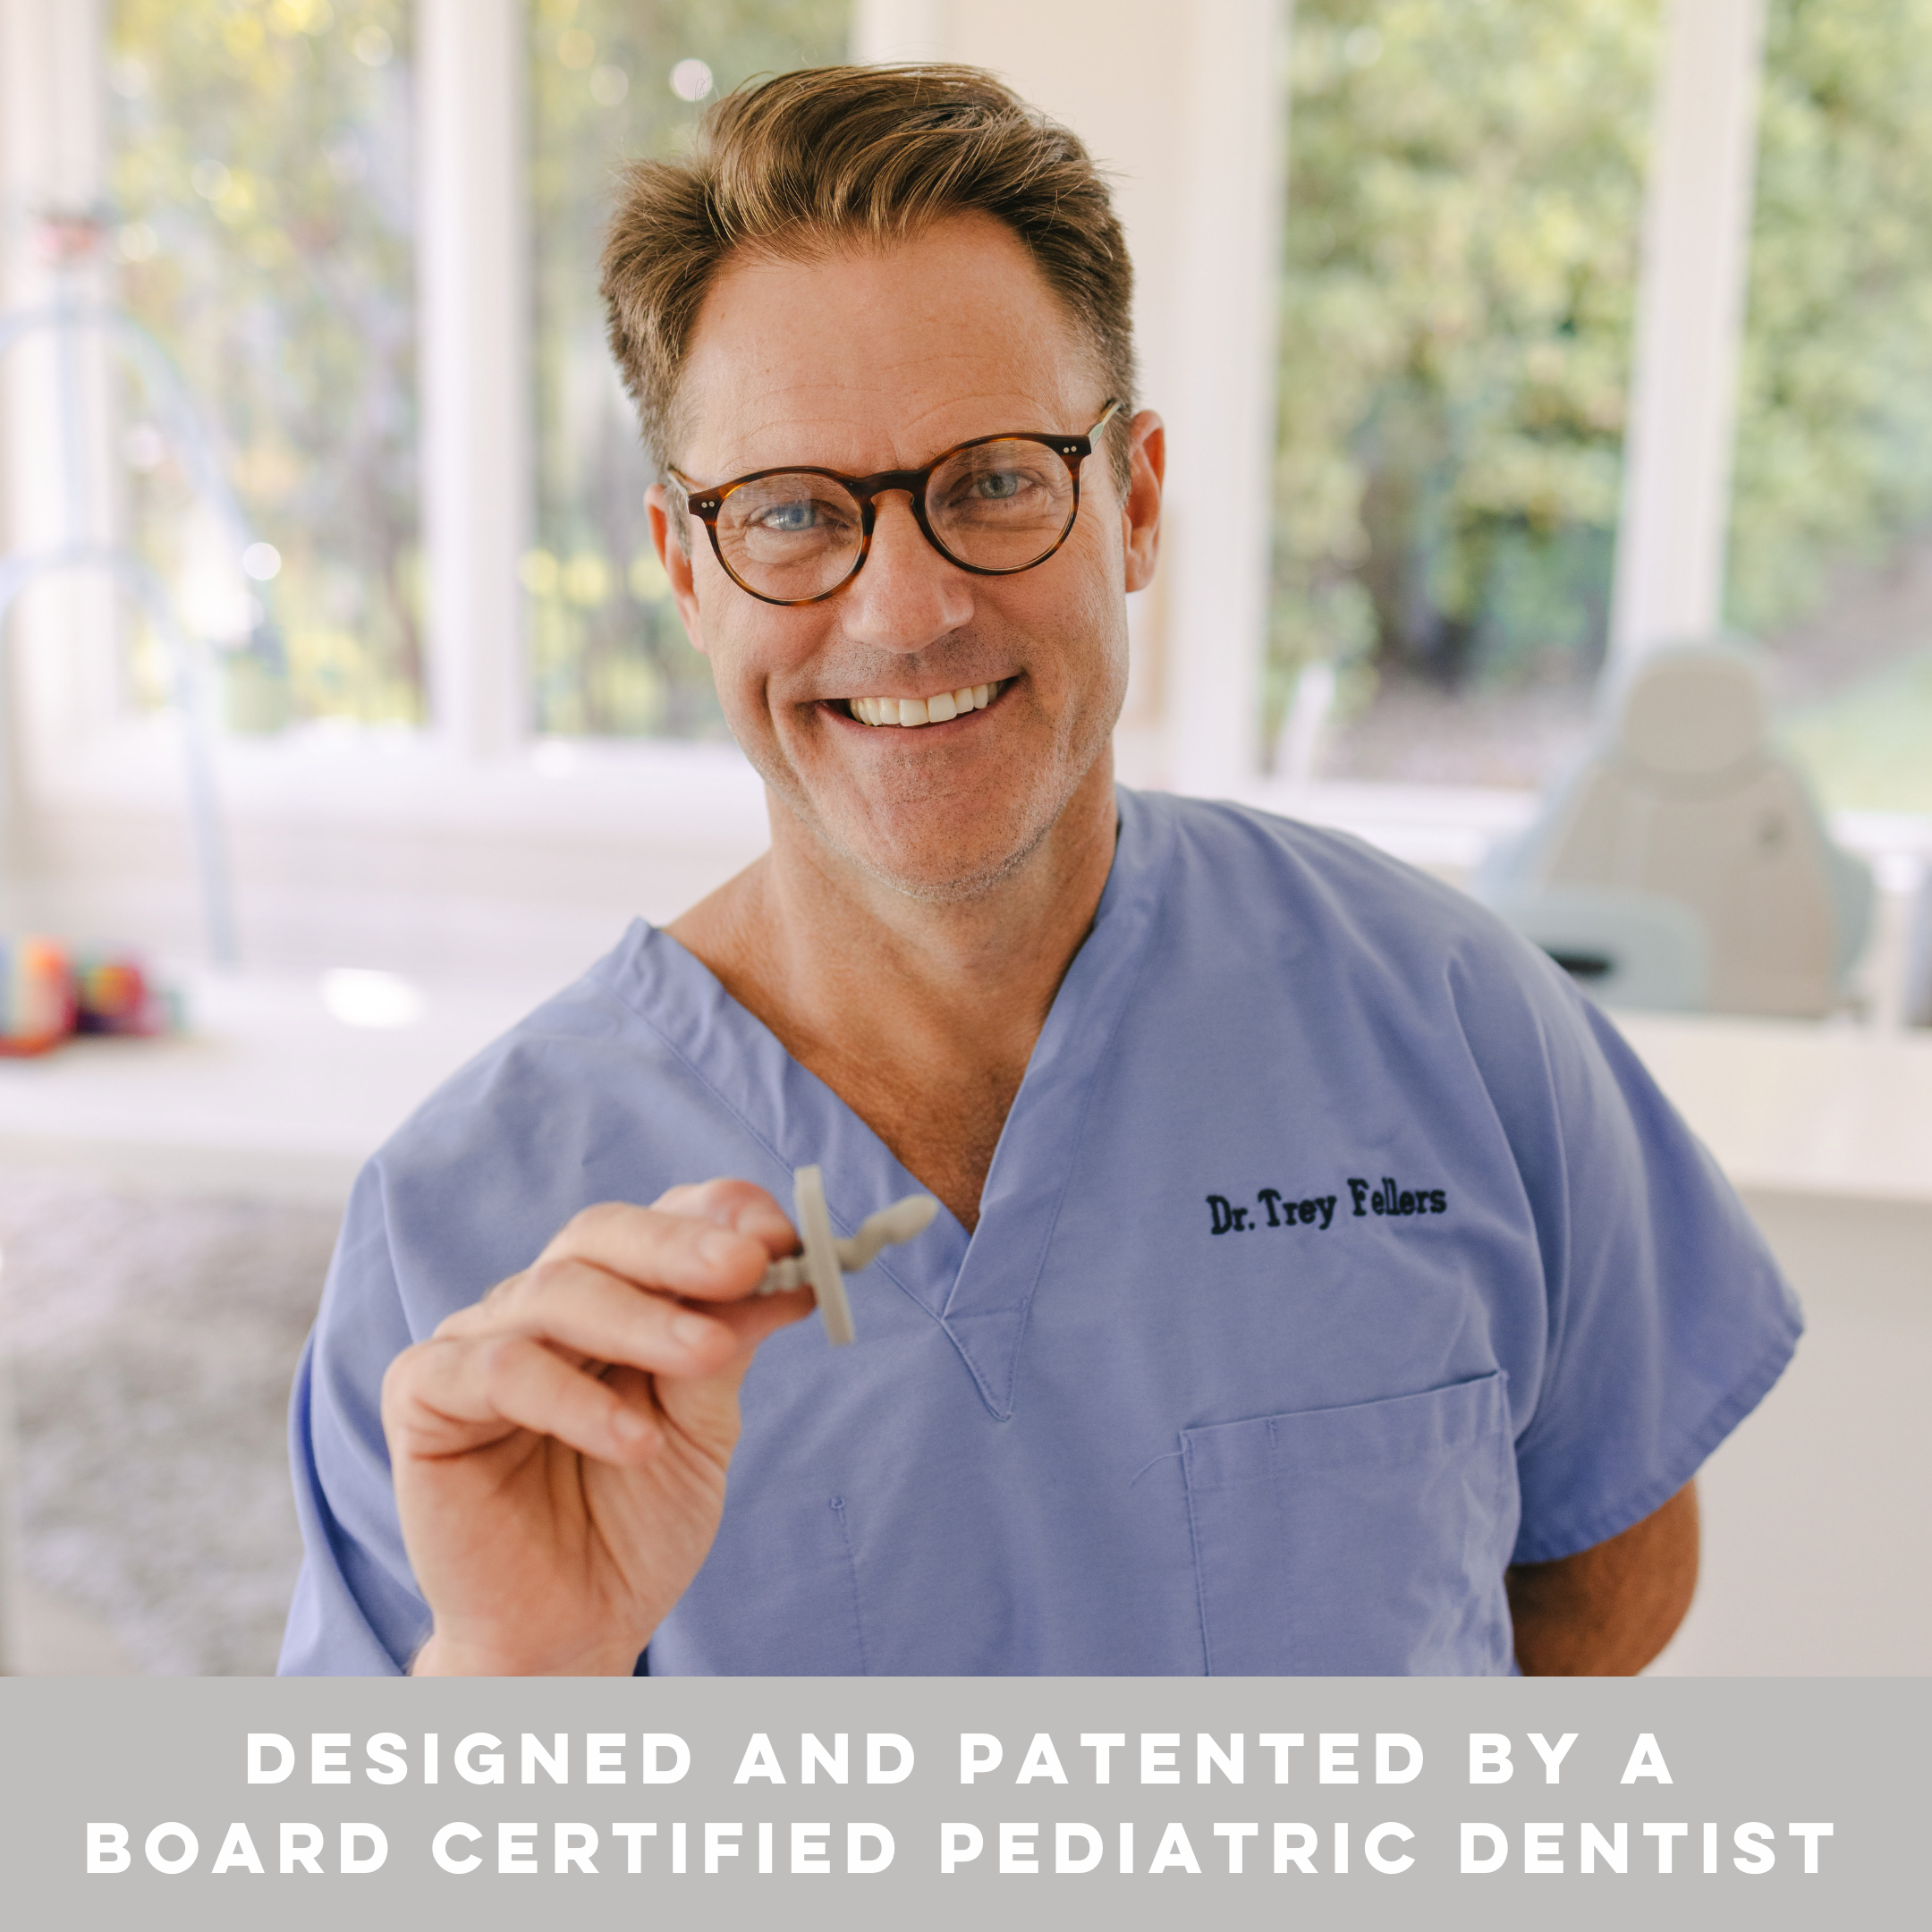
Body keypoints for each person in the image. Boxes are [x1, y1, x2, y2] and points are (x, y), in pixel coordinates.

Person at [280, 64, 1800, 1678]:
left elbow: (1606, 1575)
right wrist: (515, 1675)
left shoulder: (1448, 1022)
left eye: (995, 480)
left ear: (1133, 503)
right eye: (795, 514)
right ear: (684, 570)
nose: (906, 609)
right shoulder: (463, 1237)